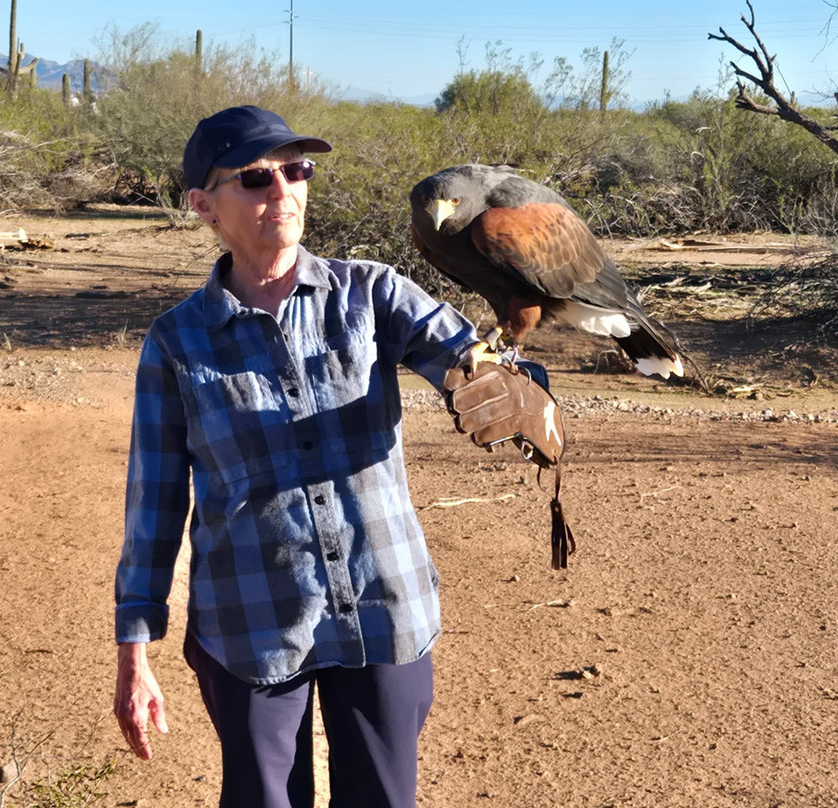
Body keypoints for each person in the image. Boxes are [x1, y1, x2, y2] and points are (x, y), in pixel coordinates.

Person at [112, 106, 560, 808]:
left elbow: (461, 356)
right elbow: (155, 505)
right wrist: (135, 649)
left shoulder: (373, 293)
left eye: (297, 171)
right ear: (204, 206)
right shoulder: (176, 343)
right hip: (251, 621)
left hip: (383, 608)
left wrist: (515, 387)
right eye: (256, 178)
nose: (282, 191)